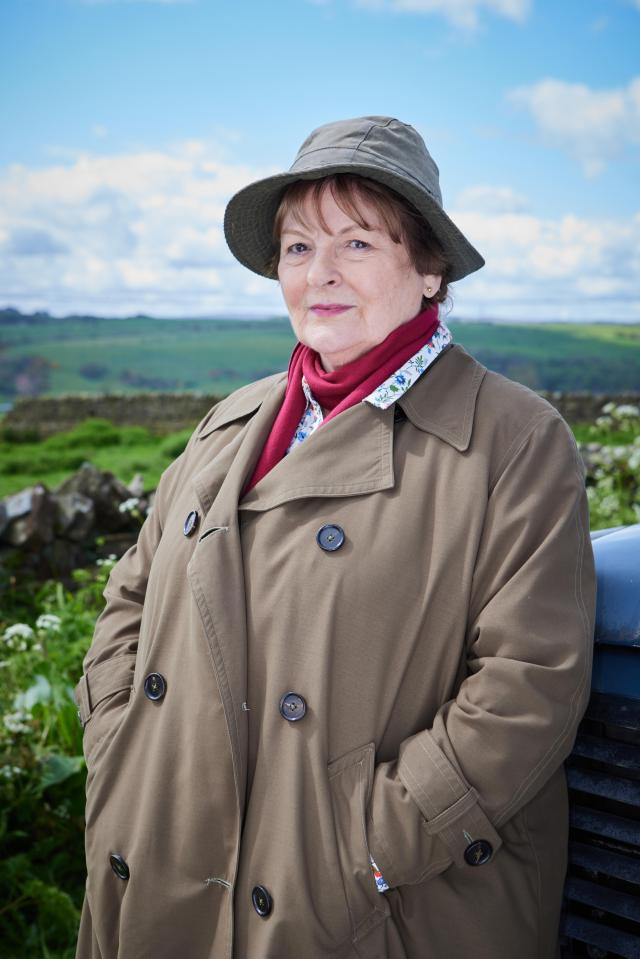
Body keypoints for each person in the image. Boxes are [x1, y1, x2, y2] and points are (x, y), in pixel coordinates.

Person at [74, 116, 596, 959]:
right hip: (166, 861)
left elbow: (528, 687)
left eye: (356, 244)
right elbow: (130, 597)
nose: (319, 274)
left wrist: (366, 852)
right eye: (296, 248)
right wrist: (120, 753)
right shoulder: (229, 422)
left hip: (367, 910)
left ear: (429, 269)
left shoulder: (515, 439)